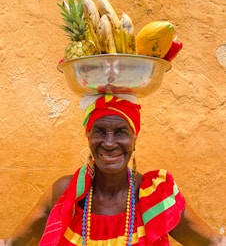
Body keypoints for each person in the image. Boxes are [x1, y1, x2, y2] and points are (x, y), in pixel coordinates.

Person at [1, 94, 225, 246]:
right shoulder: (66, 194)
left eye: (120, 132)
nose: (109, 143)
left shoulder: (155, 197)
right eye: (99, 131)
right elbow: (13, 243)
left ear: (134, 138)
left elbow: (211, 242)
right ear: (88, 136)